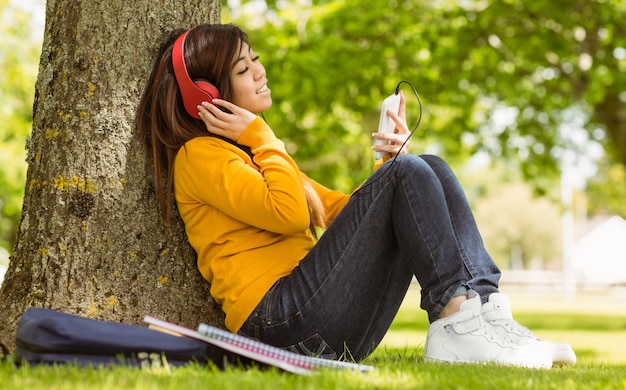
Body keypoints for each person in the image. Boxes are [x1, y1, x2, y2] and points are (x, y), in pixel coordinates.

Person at [136, 23, 575, 368]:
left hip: (317, 320)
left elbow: (339, 214)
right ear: (207, 96)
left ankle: (485, 312)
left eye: (256, 60)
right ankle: (455, 322)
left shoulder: (256, 155)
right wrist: (262, 134)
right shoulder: (201, 156)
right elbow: (289, 214)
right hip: (279, 324)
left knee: (429, 167)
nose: (260, 71)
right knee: (410, 172)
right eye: (243, 69)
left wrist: (389, 169)